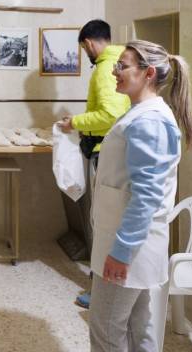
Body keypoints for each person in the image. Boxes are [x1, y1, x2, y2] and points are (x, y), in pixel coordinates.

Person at [89, 40, 192, 351]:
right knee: (138, 329)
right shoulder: (141, 113)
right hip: (129, 241)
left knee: (107, 330)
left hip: (129, 247)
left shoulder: (149, 120)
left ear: (148, 73)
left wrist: (122, 252)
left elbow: (146, 195)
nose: (114, 71)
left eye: (122, 66)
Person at [58, 19, 131, 308]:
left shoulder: (105, 70)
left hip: (106, 153)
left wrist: (74, 122)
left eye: (84, 49)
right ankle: (108, 286)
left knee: (103, 223)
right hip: (116, 151)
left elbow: (110, 115)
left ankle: (102, 290)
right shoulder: (121, 63)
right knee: (109, 221)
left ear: (88, 43)